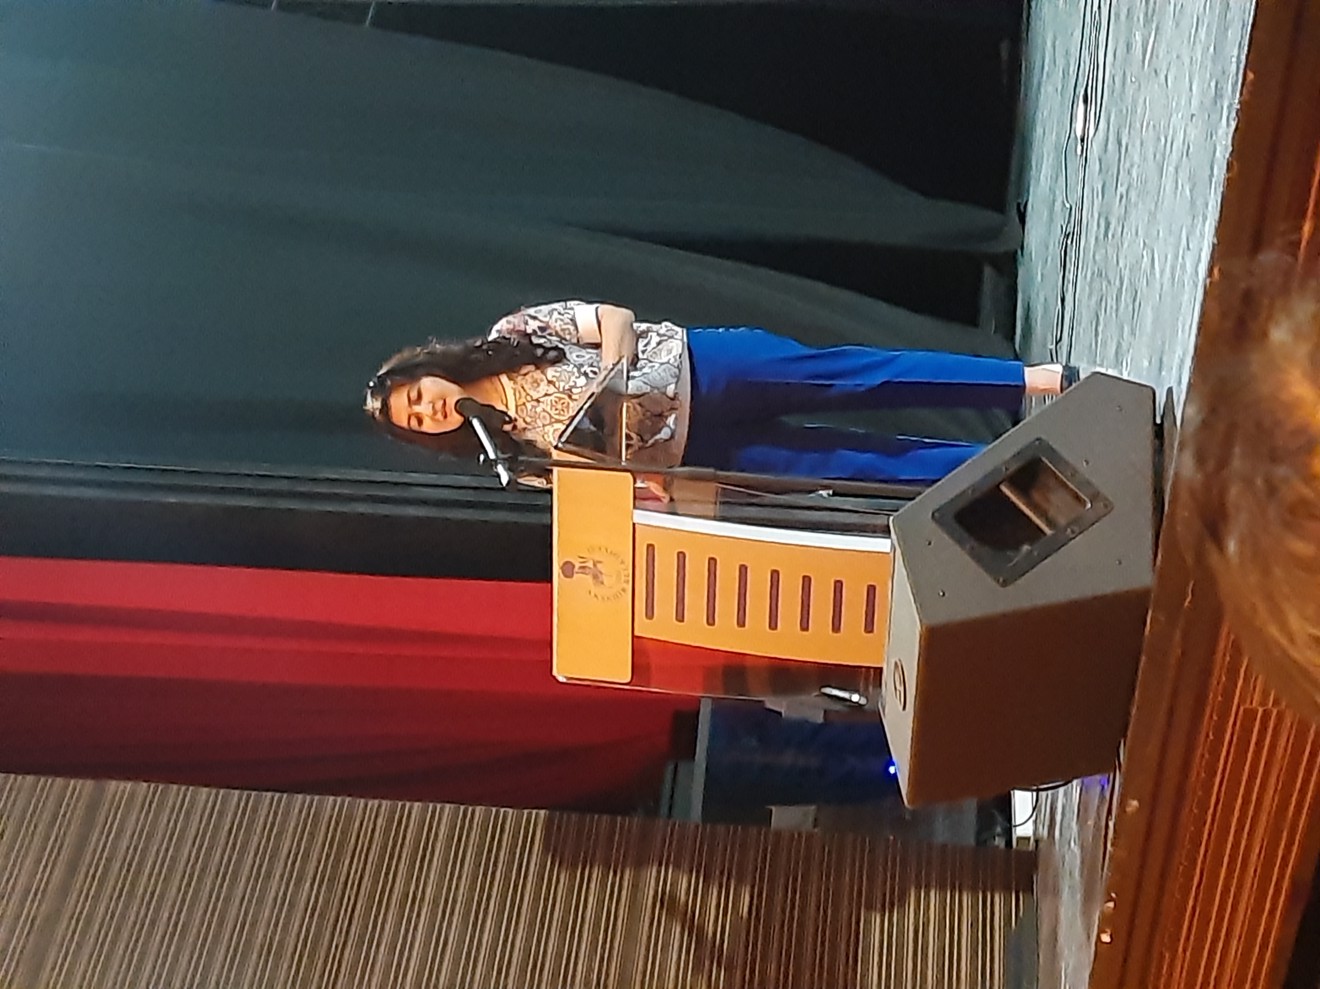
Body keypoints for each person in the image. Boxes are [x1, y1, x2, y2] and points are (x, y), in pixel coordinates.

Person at [363, 300, 1074, 486]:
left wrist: (613, 374)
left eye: (415, 396)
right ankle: (1027, 465)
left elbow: (612, 318)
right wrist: (642, 486)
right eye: (415, 421)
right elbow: (599, 487)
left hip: (704, 367)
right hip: (698, 453)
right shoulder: (510, 456)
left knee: (859, 375)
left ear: (427, 370)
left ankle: (1029, 382)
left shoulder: (514, 334)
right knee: (865, 466)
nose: (427, 410)